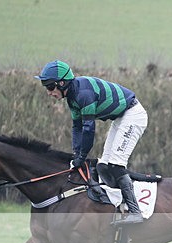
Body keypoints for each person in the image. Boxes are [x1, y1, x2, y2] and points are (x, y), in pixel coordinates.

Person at [36, 60, 148, 225]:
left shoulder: (83, 95)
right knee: (103, 165)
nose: (48, 92)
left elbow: (89, 129)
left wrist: (81, 157)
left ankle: (135, 212)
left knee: (116, 165)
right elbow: (77, 127)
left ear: (62, 83)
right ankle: (118, 204)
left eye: (50, 87)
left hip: (133, 115)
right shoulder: (72, 98)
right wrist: (76, 154)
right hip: (121, 117)